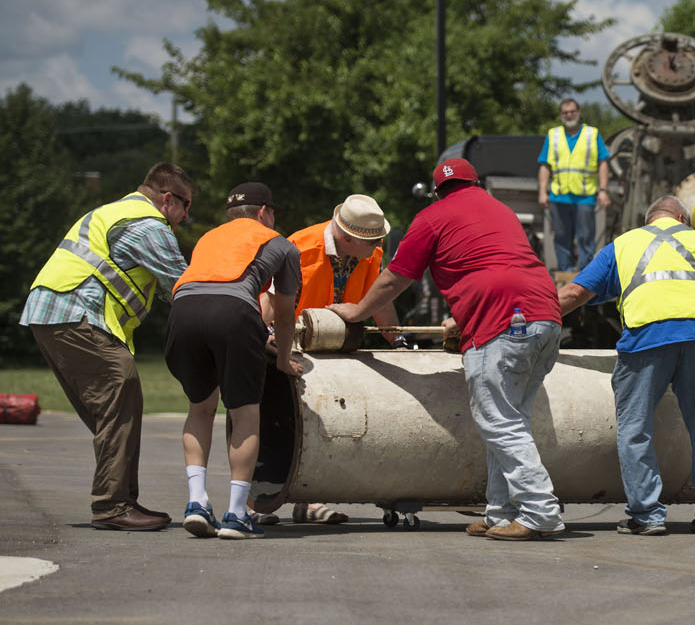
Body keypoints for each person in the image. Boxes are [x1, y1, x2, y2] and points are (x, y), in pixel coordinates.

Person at [328, 158, 564, 541]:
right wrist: (463, 317)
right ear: (476, 182)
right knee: (509, 420)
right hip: (545, 315)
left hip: (500, 319)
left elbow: (396, 278)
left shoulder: (433, 217)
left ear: (437, 192)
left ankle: (540, 510)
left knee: (499, 422)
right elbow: (498, 265)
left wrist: (356, 311)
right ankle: (501, 512)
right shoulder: (501, 211)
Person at [21, 162, 193, 531]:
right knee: (121, 388)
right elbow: (185, 286)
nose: (186, 216)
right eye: (186, 205)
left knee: (118, 405)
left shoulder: (113, 211)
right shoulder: (148, 225)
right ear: (167, 199)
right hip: (75, 312)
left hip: (53, 311)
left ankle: (121, 501)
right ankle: (112, 506)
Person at [558, 195, 695, 536]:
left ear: (650, 218)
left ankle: (648, 515)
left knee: (636, 429)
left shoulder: (623, 245)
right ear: (682, 217)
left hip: (648, 339)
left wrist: (528, 319)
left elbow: (575, 294)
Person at [165, 182, 304, 539]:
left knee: (199, 408)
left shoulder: (208, 237)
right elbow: (285, 315)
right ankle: (237, 514)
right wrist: (284, 359)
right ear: (264, 212)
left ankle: (196, 502)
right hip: (234, 311)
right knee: (245, 414)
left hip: (183, 310)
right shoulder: (281, 244)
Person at [262, 193, 404, 526]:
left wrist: (397, 340)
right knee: (274, 422)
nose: (379, 243)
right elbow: (270, 299)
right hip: (290, 343)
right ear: (346, 237)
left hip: (334, 347)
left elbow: (377, 301)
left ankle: (311, 500)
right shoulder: (299, 247)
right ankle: (259, 502)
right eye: (372, 239)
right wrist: (264, 335)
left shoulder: (371, 255)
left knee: (325, 424)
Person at [537, 98, 611, 271]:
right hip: (559, 196)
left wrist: (603, 190)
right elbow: (544, 165)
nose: (569, 115)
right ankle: (565, 273)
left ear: (578, 112)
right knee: (562, 237)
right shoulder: (553, 135)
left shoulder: (592, 134)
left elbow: (603, 162)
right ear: (561, 115)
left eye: (572, 111)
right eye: (565, 112)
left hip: (584, 197)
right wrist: (542, 191)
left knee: (586, 238)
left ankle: (585, 276)